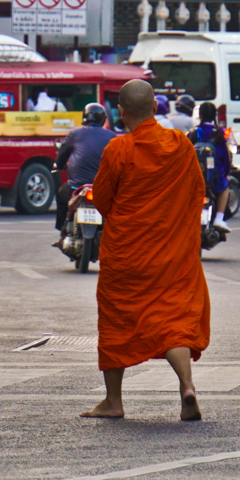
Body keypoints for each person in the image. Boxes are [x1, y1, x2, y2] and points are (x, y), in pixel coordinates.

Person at [81, 79, 210, 421]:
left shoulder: (118, 150)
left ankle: (113, 401)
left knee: (117, 321)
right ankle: (186, 385)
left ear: (120, 113)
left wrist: (130, 224)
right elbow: (197, 191)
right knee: (174, 320)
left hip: (127, 254)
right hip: (172, 252)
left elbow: (104, 199)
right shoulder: (180, 144)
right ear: (155, 108)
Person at [53, 103, 116, 238]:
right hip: (103, 187)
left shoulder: (75, 133)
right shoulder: (111, 136)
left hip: (77, 185)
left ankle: (62, 230)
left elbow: (62, 154)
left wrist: (57, 166)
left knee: (60, 195)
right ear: (103, 119)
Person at [187, 102, 233, 233]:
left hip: (194, 176)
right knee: (225, 187)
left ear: (199, 115)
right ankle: (219, 218)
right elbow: (226, 158)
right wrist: (227, 172)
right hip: (214, 178)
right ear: (215, 116)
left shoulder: (193, 133)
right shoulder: (220, 134)